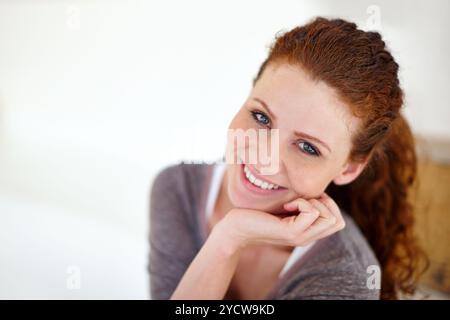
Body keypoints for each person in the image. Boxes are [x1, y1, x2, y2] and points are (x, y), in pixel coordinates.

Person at [148, 17, 428, 300]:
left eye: (307, 147)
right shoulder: (179, 188)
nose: (264, 157)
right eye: (261, 117)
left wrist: (229, 239)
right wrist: (229, 236)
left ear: (350, 168)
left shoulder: (344, 274)